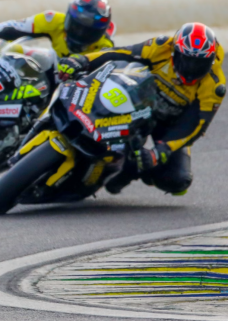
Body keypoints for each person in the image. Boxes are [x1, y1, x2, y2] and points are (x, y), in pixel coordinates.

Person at [57, 22, 225, 195]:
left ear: (211, 60)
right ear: (174, 52)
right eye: (187, 60)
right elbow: (122, 52)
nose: (191, 69)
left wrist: (160, 151)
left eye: (199, 63)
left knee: (179, 180)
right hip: (138, 107)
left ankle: (132, 170)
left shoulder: (215, 86)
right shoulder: (161, 47)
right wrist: (83, 60)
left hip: (171, 125)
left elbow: (195, 125)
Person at [0, 0, 114, 58]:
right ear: (68, 18)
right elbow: (12, 27)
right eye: (76, 26)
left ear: (101, 32)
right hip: (49, 74)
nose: (80, 34)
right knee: (10, 50)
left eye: (88, 32)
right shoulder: (52, 20)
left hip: (75, 93)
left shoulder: (106, 48)